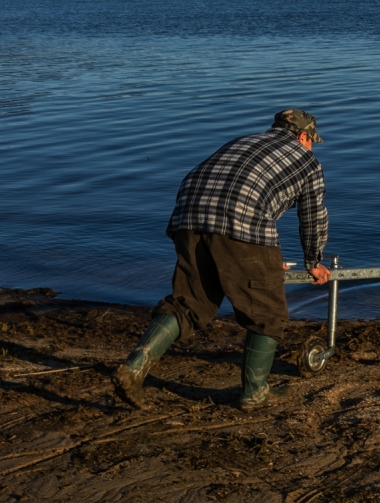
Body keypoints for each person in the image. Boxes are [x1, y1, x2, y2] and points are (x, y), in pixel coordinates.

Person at [112, 109, 331, 411]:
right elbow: (313, 217)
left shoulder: (242, 141)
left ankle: (133, 369)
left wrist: (262, 256)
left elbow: (215, 185)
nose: (311, 147)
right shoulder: (307, 162)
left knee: (188, 304)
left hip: (187, 217)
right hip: (240, 224)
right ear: (304, 136)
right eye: (311, 141)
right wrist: (313, 261)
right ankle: (255, 393)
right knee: (268, 313)